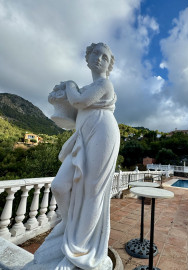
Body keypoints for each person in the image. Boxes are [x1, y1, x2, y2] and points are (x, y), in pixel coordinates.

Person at [29, 43, 120, 270]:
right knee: (59, 186)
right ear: (88, 58)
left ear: (109, 65)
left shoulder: (103, 84)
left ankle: (79, 252)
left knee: (92, 192)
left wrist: (69, 84)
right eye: (95, 54)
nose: (99, 59)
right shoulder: (88, 87)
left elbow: (79, 102)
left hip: (104, 132)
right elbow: (73, 112)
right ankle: (72, 229)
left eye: (105, 57)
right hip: (83, 137)